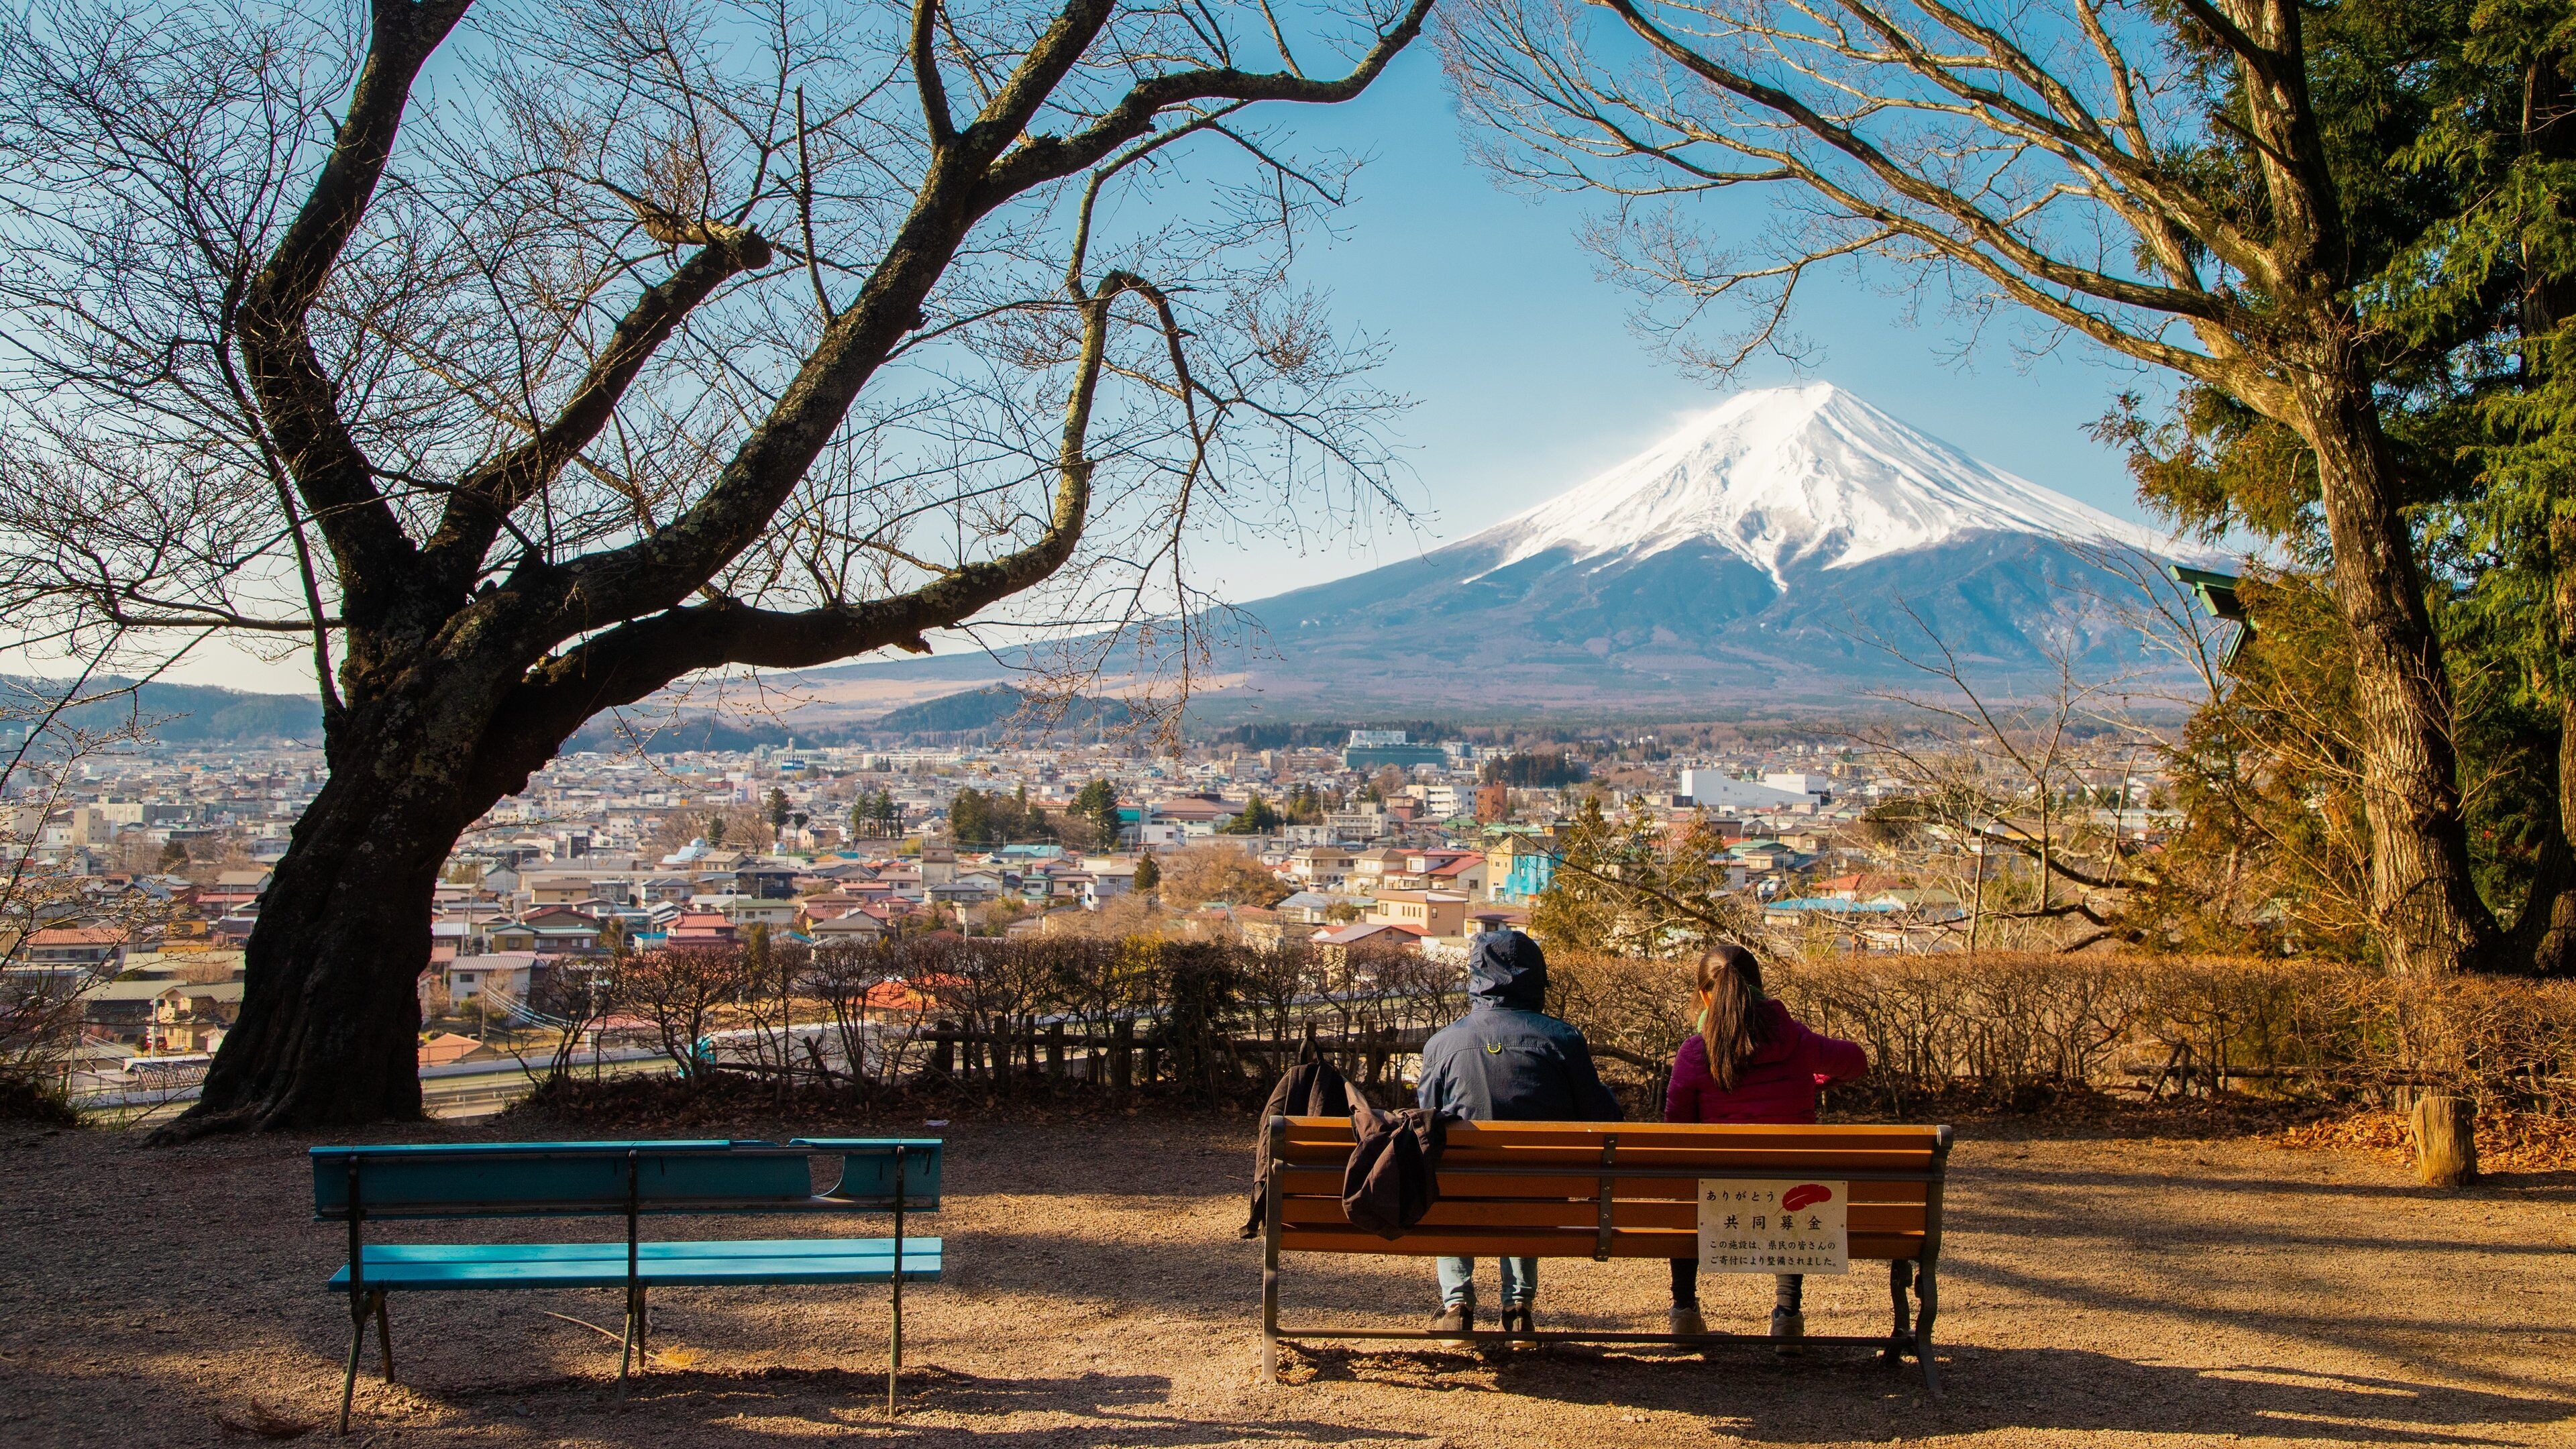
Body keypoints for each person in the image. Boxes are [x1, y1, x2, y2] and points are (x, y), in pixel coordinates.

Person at [1416, 927, 1621, 1340]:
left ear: (1475, 977)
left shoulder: (1443, 1044)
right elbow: (1603, 1117)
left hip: (1461, 1192)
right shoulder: (1562, 1039)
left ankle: (1456, 1303)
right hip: (1541, 1194)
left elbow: (1424, 1120)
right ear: (1537, 978)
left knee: (1449, 1174)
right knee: (1528, 1177)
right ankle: (1519, 1304)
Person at [1665, 942, 1867, 1348]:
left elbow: (1676, 1131)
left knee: (1686, 1191)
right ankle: (1788, 1315)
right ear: (1759, 988)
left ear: (1706, 994)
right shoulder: (1796, 1041)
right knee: (1793, 1183)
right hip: (1790, 1197)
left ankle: (1684, 1310)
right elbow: (1857, 1062)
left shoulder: (1695, 1053)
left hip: (1716, 1196)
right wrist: (1816, 1080)